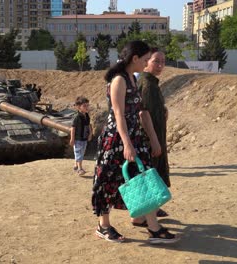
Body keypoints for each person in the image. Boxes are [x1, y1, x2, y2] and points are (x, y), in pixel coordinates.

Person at [92, 40, 179, 244]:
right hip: (115, 139)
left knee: (144, 178)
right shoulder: (119, 80)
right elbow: (118, 115)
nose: (148, 62)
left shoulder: (132, 78)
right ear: (135, 58)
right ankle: (103, 226)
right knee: (107, 180)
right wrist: (127, 144)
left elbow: (142, 112)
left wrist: (154, 140)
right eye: (147, 59)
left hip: (134, 136)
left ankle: (153, 227)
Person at [131, 49, 170, 227]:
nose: (160, 65)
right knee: (148, 176)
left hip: (154, 136)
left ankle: (149, 211)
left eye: (163, 61)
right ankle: (140, 216)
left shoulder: (151, 82)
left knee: (151, 176)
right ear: (147, 62)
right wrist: (154, 140)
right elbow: (142, 113)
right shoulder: (146, 83)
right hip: (148, 139)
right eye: (156, 61)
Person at [70, 96, 93, 175]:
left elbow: (89, 125)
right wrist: (72, 139)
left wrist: (90, 134)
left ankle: (76, 164)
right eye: (84, 106)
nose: (87, 107)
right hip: (78, 138)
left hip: (84, 138)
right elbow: (73, 128)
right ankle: (80, 168)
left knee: (82, 152)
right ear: (79, 107)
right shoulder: (77, 117)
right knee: (78, 152)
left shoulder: (87, 116)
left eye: (87, 105)